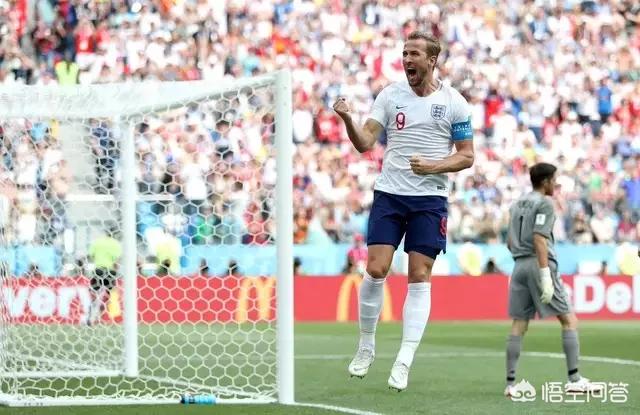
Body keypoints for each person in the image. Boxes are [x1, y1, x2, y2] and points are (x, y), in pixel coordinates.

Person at [332, 31, 474, 391]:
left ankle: (404, 359)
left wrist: (433, 166)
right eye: (404, 53)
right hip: (390, 194)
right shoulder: (390, 95)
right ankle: (366, 346)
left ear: (432, 60)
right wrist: (347, 119)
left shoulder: (455, 103)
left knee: (419, 275)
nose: (407, 59)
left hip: (430, 199)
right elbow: (365, 142)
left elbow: (466, 155)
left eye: (414, 54)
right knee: (375, 268)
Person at [504, 162, 603, 397]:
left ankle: (510, 384)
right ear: (546, 181)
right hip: (538, 264)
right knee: (569, 320)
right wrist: (544, 274)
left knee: (519, 324)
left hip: (518, 265)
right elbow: (539, 239)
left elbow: (509, 241)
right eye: (554, 180)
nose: (556, 184)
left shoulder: (516, 204)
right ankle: (574, 379)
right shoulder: (545, 204)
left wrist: (522, 261)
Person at [87, 226, 122, 325]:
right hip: (110, 271)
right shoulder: (115, 244)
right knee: (107, 294)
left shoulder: (97, 242)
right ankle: (99, 315)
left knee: (94, 293)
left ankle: (91, 315)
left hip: (98, 270)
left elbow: (91, 255)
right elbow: (116, 261)